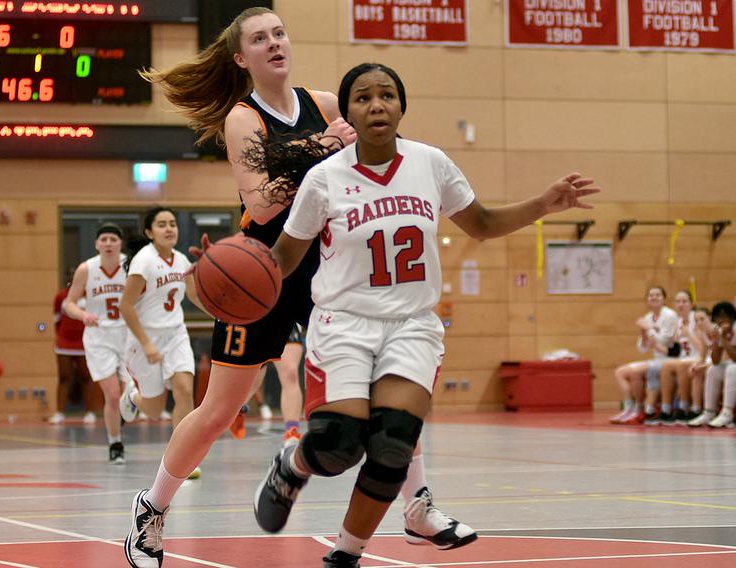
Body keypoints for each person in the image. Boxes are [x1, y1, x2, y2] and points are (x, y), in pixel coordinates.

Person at [124, 11, 452, 567]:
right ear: (240, 57)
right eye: (259, 38)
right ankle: (151, 510)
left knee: (387, 386)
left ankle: (415, 504)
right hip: (261, 271)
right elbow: (260, 202)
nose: (273, 43)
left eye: (278, 34)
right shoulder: (242, 119)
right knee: (218, 409)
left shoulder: (324, 101)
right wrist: (323, 146)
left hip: (329, 265)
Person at [249, 62, 600, 567]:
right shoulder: (324, 178)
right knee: (339, 445)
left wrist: (545, 203)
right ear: (347, 111)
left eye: (387, 95)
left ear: (401, 106)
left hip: (411, 325)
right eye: (364, 98)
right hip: (343, 323)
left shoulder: (430, 163)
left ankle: (346, 555)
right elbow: (283, 258)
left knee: (393, 445)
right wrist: (234, 278)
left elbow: (479, 223)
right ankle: (294, 463)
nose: (376, 105)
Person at [118, 207, 203, 440]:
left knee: (185, 391)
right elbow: (125, 306)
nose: (169, 229)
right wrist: (146, 344)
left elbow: (195, 296)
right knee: (154, 410)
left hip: (176, 334)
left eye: (173, 224)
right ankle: (132, 397)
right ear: (149, 232)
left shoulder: (182, 260)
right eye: (162, 224)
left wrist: (222, 315)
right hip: (145, 338)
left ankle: (182, 458)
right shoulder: (143, 261)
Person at [62, 223, 131, 464]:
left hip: (128, 334)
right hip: (99, 337)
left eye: (114, 239)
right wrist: (83, 315)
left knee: (127, 396)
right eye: (104, 239)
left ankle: (125, 412)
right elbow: (68, 304)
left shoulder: (131, 266)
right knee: (112, 396)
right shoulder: (86, 269)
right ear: (96, 244)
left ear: (120, 243)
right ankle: (115, 443)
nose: (109, 243)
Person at [609, 286, 678, 425]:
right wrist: (643, 333)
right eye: (651, 295)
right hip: (657, 359)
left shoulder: (669, 315)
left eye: (658, 295)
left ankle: (640, 408)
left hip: (670, 359)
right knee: (620, 372)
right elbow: (642, 348)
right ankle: (630, 408)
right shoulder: (648, 317)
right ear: (647, 300)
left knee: (635, 372)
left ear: (664, 298)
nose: (654, 297)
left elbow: (665, 340)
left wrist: (649, 329)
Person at [50, 267, 100, 425]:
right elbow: (56, 320)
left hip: (85, 343)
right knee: (64, 377)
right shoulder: (61, 296)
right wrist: (59, 337)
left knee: (86, 377)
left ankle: (90, 412)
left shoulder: (92, 296)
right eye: (71, 275)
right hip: (64, 343)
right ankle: (59, 412)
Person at [649, 290, 699, 425]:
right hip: (684, 358)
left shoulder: (697, 318)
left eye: (684, 301)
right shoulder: (678, 322)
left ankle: (684, 408)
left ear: (691, 304)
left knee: (680, 365)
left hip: (699, 357)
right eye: (677, 302)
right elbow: (675, 351)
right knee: (666, 365)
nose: (680, 304)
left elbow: (704, 347)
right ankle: (666, 410)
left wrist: (688, 334)